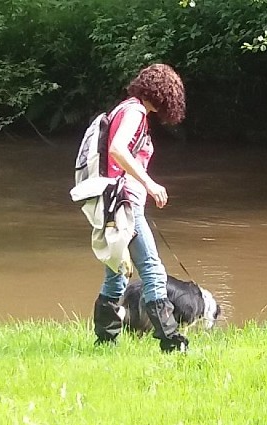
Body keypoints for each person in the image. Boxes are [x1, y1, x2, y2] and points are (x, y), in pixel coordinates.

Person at [92, 63, 189, 353]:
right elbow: (117, 149)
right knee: (153, 270)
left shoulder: (124, 108)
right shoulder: (135, 112)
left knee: (117, 273)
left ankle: (105, 342)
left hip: (114, 202)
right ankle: (172, 343)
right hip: (125, 203)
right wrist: (150, 184)